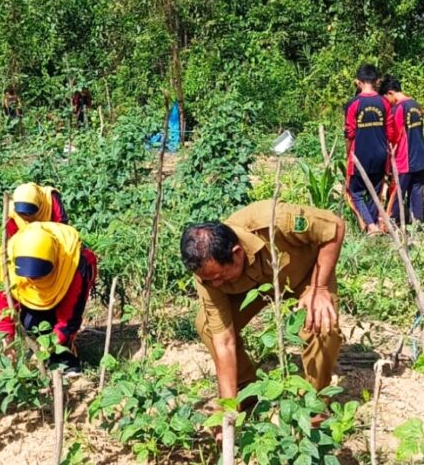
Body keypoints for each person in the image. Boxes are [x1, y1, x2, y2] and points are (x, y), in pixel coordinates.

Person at [180, 200, 344, 416]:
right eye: (209, 281)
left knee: (321, 323)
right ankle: (246, 391)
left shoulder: (274, 221)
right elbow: (224, 340)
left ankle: (314, 403)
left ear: (237, 253)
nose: (216, 285)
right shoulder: (208, 276)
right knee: (207, 326)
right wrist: (228, 411)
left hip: (305, 277)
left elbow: (335, 227)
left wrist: (319, 287)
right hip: (252, 289)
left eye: (220, 277)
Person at [0, 222, 97, 375]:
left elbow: (69, 318)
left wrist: (45, 349)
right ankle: (37, 343)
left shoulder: (75, 265)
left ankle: (63, 355)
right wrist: (7, 340)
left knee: (57, 334)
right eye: (30, 277)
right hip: (30, 299)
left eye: (40, 276)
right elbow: (3, 305)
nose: (34, 280)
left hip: (64, 291)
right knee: (31, 322)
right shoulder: (7, 262)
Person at [344, 64, 393, 234]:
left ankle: (371, 225)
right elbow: (389, 131)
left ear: (358, 82)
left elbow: (349, 133)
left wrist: (348, 154)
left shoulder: (353, 104)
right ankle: (373, 226)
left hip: (360, 154)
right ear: (377, 81)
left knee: (354, 192)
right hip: (381, 153)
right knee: (376, 191)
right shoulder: (384, 102)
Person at [379, 75, 424, 224]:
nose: (388, 103)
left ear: (390, 93)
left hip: (405, 159)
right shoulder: (415, 105)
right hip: (420, 157)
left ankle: (392, 222)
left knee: (397, 193)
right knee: (416, 190)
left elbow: (392, 136)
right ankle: (417, 223)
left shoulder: (398, 109)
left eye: (386, 98)